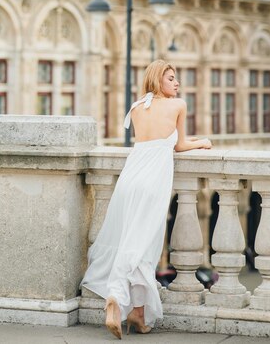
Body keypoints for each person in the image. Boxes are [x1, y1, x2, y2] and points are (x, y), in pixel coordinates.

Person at [81, 60, 212, 339]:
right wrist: (202, 142)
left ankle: (137, 315)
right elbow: (179, 145)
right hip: (152, 182)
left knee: (131, 241)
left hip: (130, 179)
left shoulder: (138, 107)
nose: (177, 84)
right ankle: (114, 298)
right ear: (158, 81)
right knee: (143, 247)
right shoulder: (178, 106)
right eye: (172, 79)